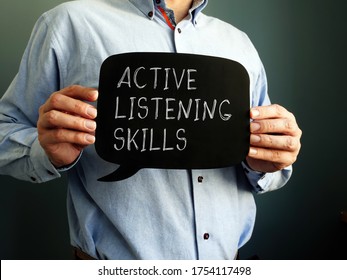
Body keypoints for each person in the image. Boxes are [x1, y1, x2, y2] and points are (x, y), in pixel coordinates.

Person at [0, 0, 301, 259]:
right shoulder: (69, 24)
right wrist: (46, 151)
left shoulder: (238, 43)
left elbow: (269, 160)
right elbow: (5, 130)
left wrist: (267, 163)